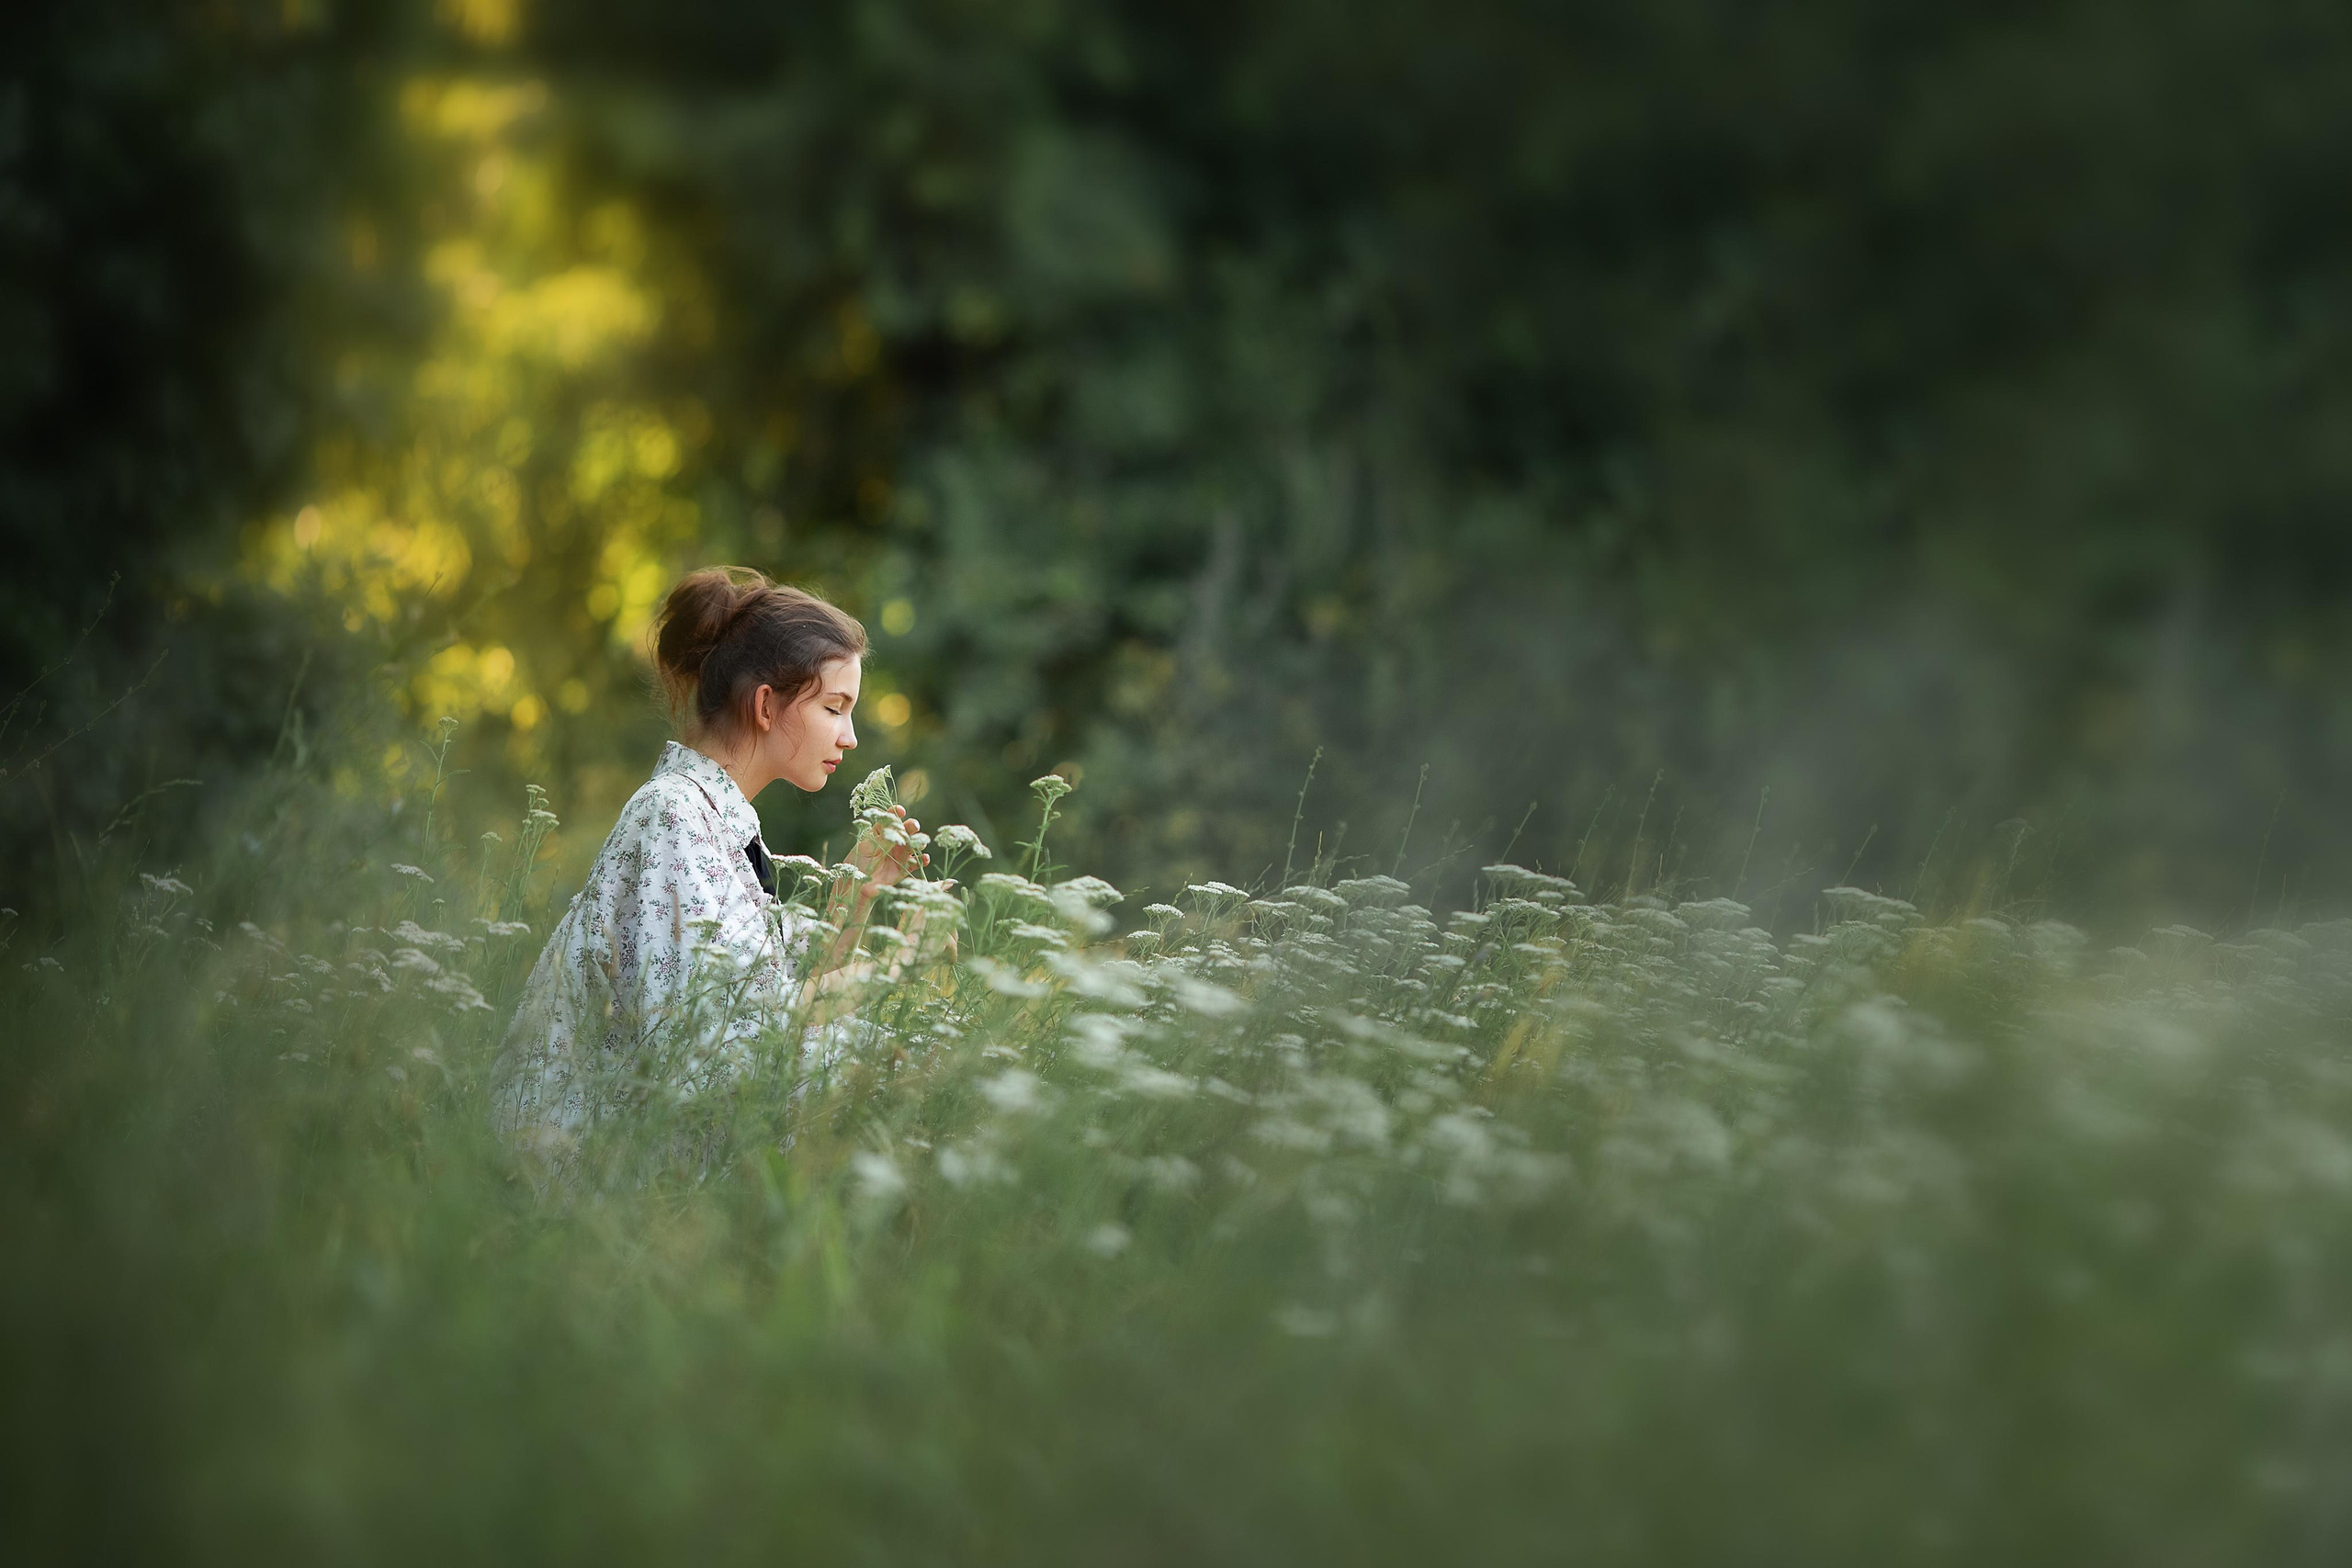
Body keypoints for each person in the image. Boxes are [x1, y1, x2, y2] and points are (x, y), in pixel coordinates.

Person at [495, 566, 926, 1150]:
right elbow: (725, 1044)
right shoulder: (672, 817)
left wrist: (857, 894)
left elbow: (775, 999)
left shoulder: (716, 823)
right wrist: (899, 965)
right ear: (767, 705)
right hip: (594, 1171)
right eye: (834, 707)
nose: (850, 736)